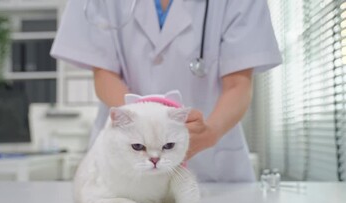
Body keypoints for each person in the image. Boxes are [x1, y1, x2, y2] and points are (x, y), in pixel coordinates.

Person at [50, 0, 282, 182]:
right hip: (125, 165)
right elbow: (104, 74)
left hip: (211, 165)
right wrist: (141, 125)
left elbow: (238, 85)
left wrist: (210, 132)